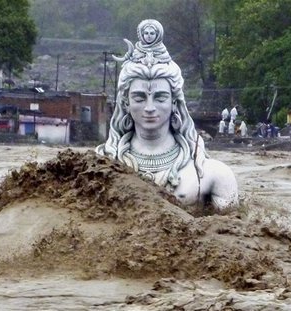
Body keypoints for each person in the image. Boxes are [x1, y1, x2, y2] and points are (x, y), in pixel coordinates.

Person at [98, 19, 238, 209]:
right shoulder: (101, 165)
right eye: (139, 98)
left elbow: (233, 234)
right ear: (125, 102)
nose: (149, 107)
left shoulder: (212, 174)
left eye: (160, 98)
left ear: (174, 102)